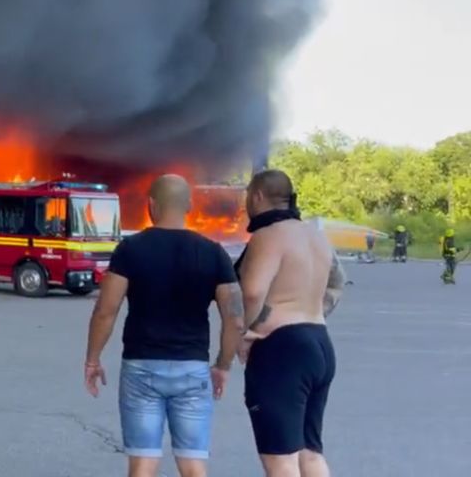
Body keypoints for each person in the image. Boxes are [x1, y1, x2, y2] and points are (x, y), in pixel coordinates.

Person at [84, 175, 243, 477]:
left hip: (141, 367)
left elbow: (106, 310)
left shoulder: (131, 249)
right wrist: (222, 365)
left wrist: (93, 359)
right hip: (193, 368)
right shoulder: (213, 252)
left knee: (143, 463)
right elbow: (234, 317)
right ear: (189, 206)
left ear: (151, 206)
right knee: (194, 464)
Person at [237, 169, 345, 477]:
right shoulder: (316, 236)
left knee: (280, 459)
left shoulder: (267, 236)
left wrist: (248, 332)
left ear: (257, 196)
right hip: (320, 341)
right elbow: (335, 285)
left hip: (282, 350)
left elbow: (253, 291)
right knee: (310, 452)